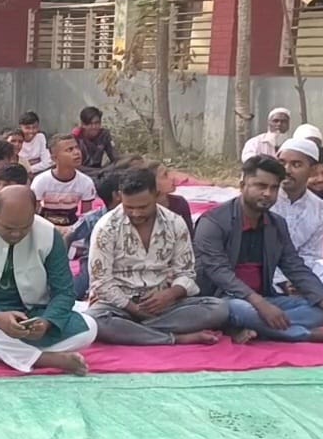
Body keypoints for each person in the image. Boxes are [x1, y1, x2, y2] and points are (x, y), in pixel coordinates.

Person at [0, 186, 96, 374]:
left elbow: (64, 292)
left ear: (35, 213)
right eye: (8, 228)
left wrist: (47, 322)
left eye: (24, 228)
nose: (16, 234)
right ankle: (42, 358)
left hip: (31, 315)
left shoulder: (48, 233)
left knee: (89, 328)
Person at [195, 155, 323, 343]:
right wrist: (260, 304)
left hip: (264, 297)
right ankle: (309, 335)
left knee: (319, 312)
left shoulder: (276, 224)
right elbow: (219, 272)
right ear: (242, 185)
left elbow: (295, 267)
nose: (267, 194)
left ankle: (253, 327)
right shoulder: (213, 222)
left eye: (274, 188)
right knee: (242, 309)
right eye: (261, 186)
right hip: (220, 299)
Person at [86, 168, 229, 346]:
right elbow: (101, 282)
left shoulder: (175, 223)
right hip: (120, 305)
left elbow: (186, 273)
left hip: (163, 305)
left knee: (218, 309)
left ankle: (136, 332)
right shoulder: (106, 227)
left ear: (155, 195)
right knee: (94, 319)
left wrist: (170, 294)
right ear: (121, 197)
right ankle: (174, 338)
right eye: (129, 207)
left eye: (142, 207)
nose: (136, 213)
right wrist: (134, 309)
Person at [270, 138, 323, 295]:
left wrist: (299, 280)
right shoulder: (265, 199)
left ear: (312, 170)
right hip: (264, 271)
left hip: (297, 272)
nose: (286, 170)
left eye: (296, 165)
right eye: (282, 163)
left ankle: (301, 294)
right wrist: (282, 281)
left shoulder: (320, 209)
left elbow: (311, 256)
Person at [69, 171, 119, 300]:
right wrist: (62, 264)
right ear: (117, 195)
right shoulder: (93, 219)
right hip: (93, 266)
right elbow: (69, 236)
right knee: (73, 294)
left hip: (120, 265)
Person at [31, 134, 96, 228]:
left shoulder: (86, 182)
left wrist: (72, 230)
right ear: (54, 158)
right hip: (44, 227)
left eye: (77, 148)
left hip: (72, 228)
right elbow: (33, 214)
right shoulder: (40, 181)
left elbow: (86, 217)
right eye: (69, 150)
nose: (77, 152)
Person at [72, 106, 117, 177]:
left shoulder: (104, 135)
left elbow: (114, 157)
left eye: (97, 123)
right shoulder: (75, 139)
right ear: (83, 125)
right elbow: (75, 166)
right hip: (82, 175)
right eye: (90, 124)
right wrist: (99, 171)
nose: (94, 127)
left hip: (100, 173)